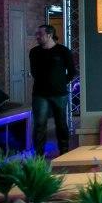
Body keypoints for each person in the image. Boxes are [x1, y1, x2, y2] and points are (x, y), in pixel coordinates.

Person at [29, 24, 76, 156]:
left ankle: (64, 152)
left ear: (49, 35)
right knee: (39, 124)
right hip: (40, 93)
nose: (37, 36)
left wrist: (61, 83)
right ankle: (39, 154)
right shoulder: (34, 52)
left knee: (61, 123)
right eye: (37, 34)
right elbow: (34, 72)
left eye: (40, 34)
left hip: (59, 94)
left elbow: (72, 72)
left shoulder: (63, 51)